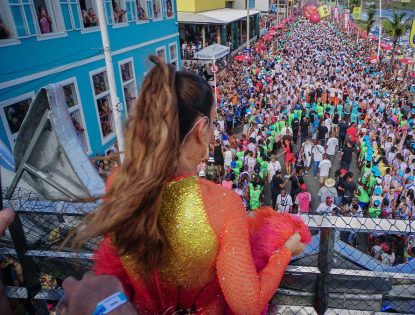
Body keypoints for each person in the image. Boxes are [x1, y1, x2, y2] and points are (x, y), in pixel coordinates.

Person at [66, 57, 305, 314]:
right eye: (214, 121)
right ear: (202, 129)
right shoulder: (223, 204)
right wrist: (284, 251)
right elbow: (248, 303)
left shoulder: (119, 183)